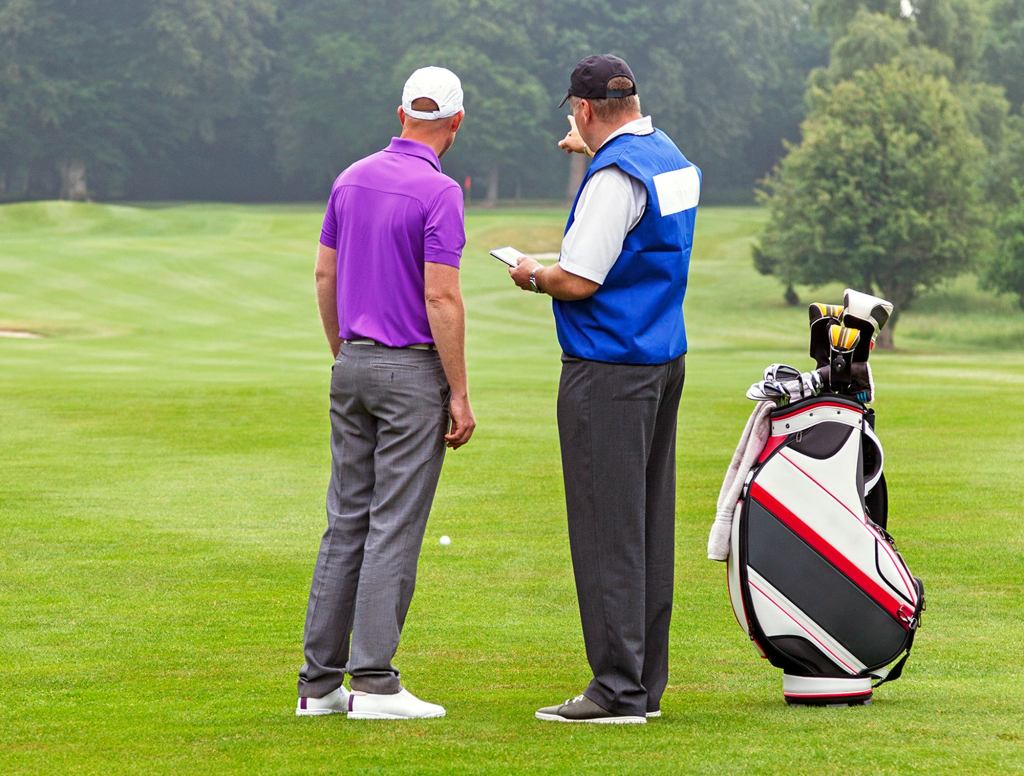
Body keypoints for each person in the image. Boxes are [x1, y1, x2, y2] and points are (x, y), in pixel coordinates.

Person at [509, 54, 700, 724]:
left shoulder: (611, 176)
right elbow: (639, 189)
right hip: (660, 358)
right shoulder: (667, 158)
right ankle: (643, 683)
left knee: (606, 528)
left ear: (585, 110)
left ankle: (615, 691)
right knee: (646, 526)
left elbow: (580, 278)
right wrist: (595, 147)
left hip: (608, 369)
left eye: (575, 116)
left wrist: (533, 273)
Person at [296, 66, 475, 720]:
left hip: (353, 365)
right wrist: (458, 392)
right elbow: (441, 295)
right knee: (393, 524)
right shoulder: (440, 191)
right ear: (455, 123)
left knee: (346, 520)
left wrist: (342, 351)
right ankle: (372, 682)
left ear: (399, 113)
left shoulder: (350, 177)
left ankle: (319, 688)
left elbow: (325, 274)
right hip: (409, 374)